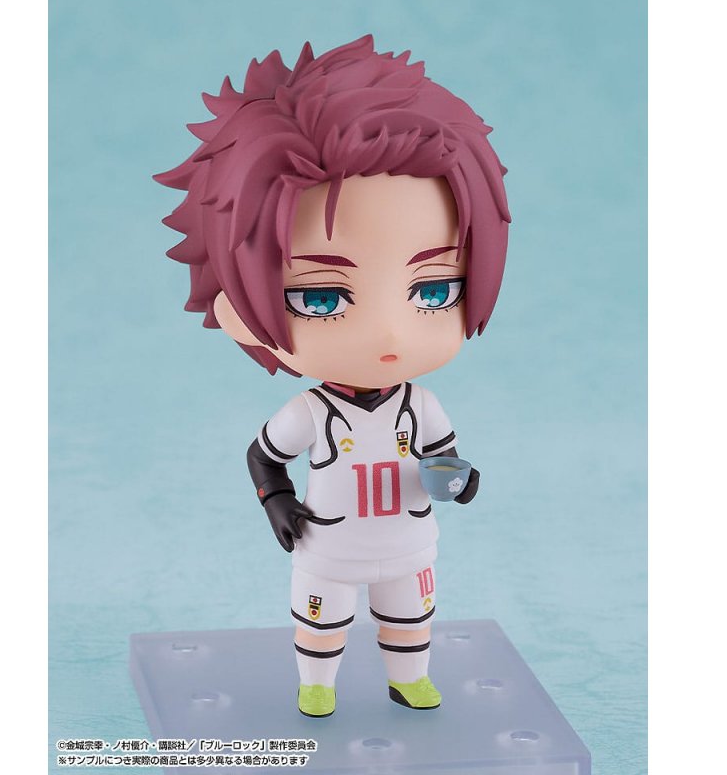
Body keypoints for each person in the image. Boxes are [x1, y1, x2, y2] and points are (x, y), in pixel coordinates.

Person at [156, 35, 510, 717]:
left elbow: (443, 458)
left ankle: (409, 679)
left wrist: (460, 479)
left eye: (434, 290)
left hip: (409, 542)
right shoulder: (311, 413)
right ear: (237, 310)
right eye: (322, 297)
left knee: (411, 618)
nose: (390, 334)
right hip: (328, 546)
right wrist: (276, 502)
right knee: (322, 625)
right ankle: (317, 685)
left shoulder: (420, 405)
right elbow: (264, 455)